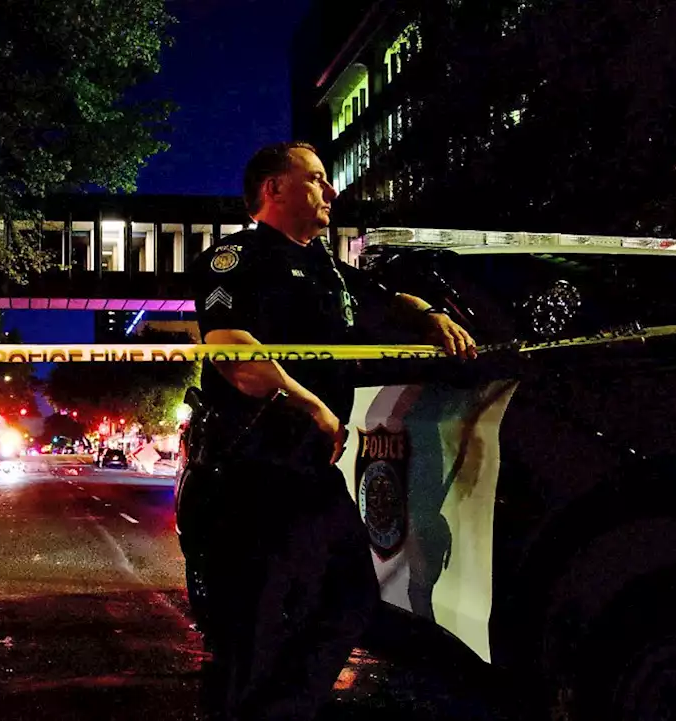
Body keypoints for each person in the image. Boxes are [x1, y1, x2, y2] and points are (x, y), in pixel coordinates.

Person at [180, 141, 477, 720]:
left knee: (350, 602)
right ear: (274, 189)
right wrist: (310, 404)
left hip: (309, 473)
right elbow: (231, 353)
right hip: (249, 475)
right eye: (316, 179)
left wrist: (430, 317)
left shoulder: (328, 269)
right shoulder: (235, 259)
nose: (331, 191)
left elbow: (390, 302)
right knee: (250, 636)